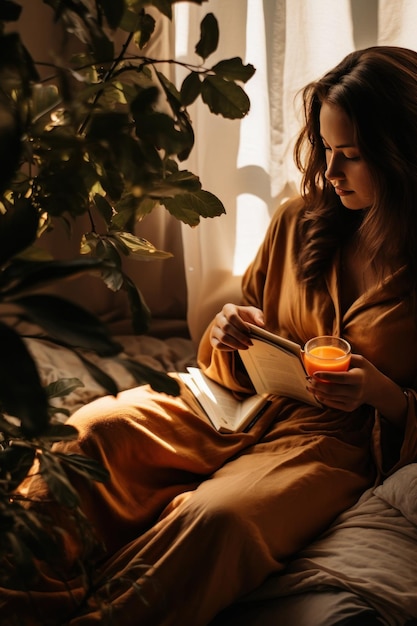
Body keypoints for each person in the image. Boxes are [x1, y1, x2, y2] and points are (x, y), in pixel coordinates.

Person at [4, 45, 417, 626]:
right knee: (89, 433)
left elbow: (403, 411)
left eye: (350, 155)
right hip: (237, 399)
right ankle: (20, 600)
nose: (328, 172)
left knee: (219, 518)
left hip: (332, 441)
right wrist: (229, 328)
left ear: (403, 156)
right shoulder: (299, 221)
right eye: (325, 149)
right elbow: (253, 314)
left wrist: (379, 394)